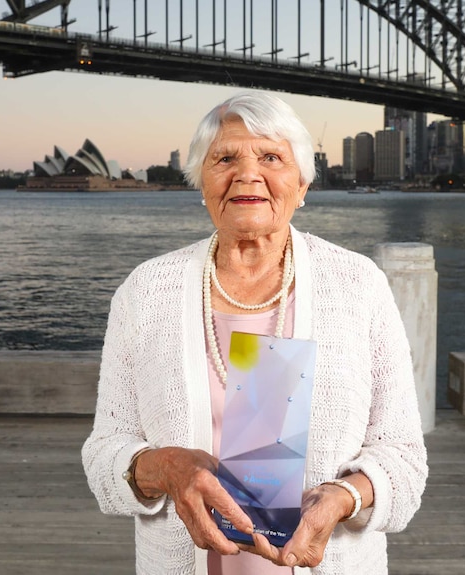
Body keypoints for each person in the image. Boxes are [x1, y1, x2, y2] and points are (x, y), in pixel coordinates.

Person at [82, 91, 428, 575]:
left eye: (271, 157)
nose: (247, 174)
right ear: (201, 182)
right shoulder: (145, 291)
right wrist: (164, 467)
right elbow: (103, 454)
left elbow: (403, 458)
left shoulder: (358, 284)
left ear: (303, 184)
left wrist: (344, 496)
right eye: (224, 158)